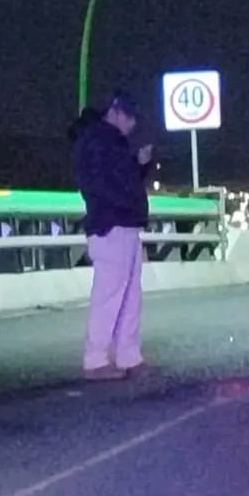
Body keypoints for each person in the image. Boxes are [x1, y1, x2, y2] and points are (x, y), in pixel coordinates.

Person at [68, 91, 154, 381]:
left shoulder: (109, 142)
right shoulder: (98, 142)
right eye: (129, 118)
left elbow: (121, 179)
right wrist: (126, 201)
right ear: (115, 112)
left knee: (129, 295)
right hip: (111, 223)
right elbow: (102, 184)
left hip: (122, 223)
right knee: (111, 294)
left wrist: (139, 166)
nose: (131, 125)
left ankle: (128, 355)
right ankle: (96, 359)